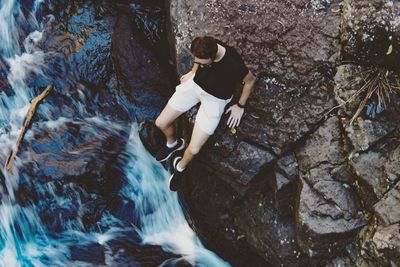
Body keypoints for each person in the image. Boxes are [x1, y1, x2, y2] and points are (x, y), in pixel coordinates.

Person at [154, 36, 256, 191]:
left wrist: (240, 105)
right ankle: (173, 143)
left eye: (202, 63)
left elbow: (250, 81)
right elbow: (198, 59)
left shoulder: (233, 61)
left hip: (215, 100)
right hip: (196, 86)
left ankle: (180, 168)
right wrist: (193, 72)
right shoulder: (206, 44)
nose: (199, 63)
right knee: (160, 123)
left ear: (213, 57)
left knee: (194, 149)